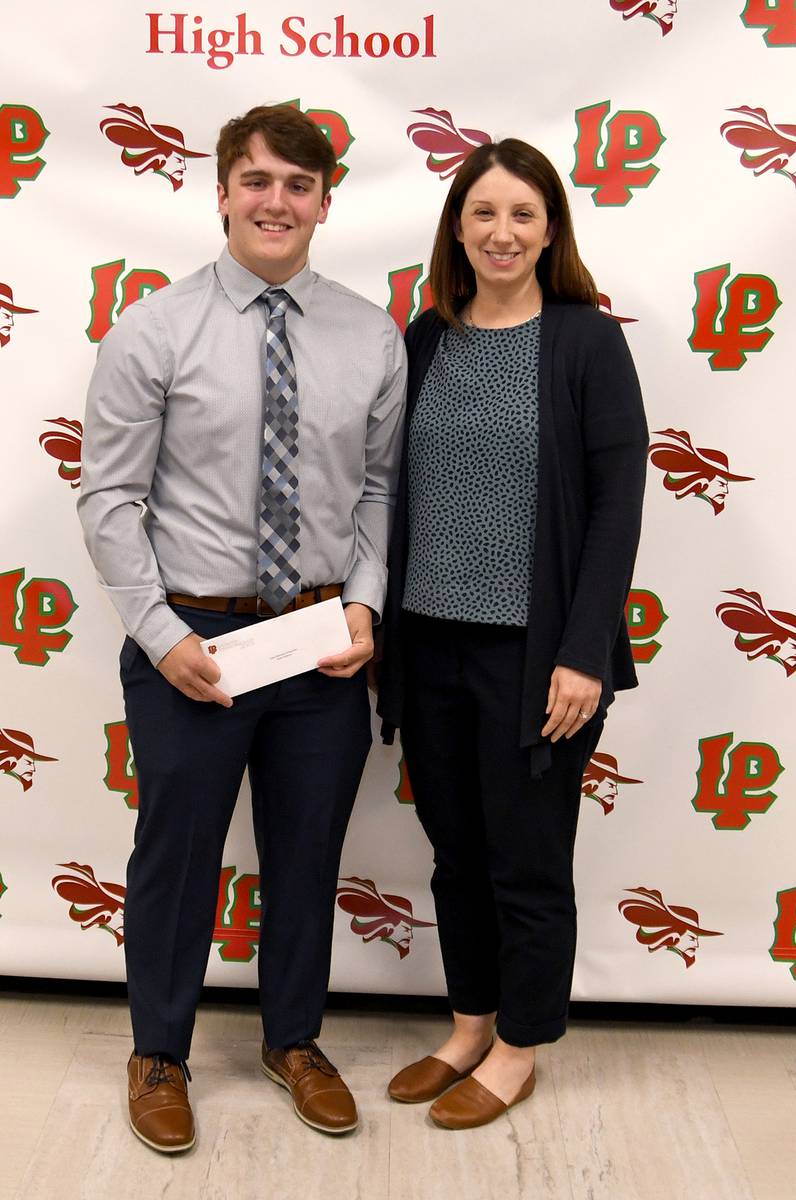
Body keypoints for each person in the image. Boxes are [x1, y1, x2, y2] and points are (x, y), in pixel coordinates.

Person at [78, 104, 406, 1151]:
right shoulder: (154, 328)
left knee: (305, 851)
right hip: (193, 642)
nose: (276, 202)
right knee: (175, 856)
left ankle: (293, 1040)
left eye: (298, 186)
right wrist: (159, 631)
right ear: (219, 191)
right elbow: (110, 499)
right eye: (256, 181)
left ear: (324, 201)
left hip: (317, 645)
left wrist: (362, 603)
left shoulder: (370, 334)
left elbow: (380, 490)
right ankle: (158, 1053)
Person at [377, 138, 647, 1130]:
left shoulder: (583, 341)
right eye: (483, 212)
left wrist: (582, 651)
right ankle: (467, 1021)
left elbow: (616, 504)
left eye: (522, 215)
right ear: (457, 224)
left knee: (525, 858)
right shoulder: (424, 338)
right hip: (428, 643)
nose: (501, 231)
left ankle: (519, 1045)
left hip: (534, 655)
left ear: (549, 230)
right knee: (453, 851)